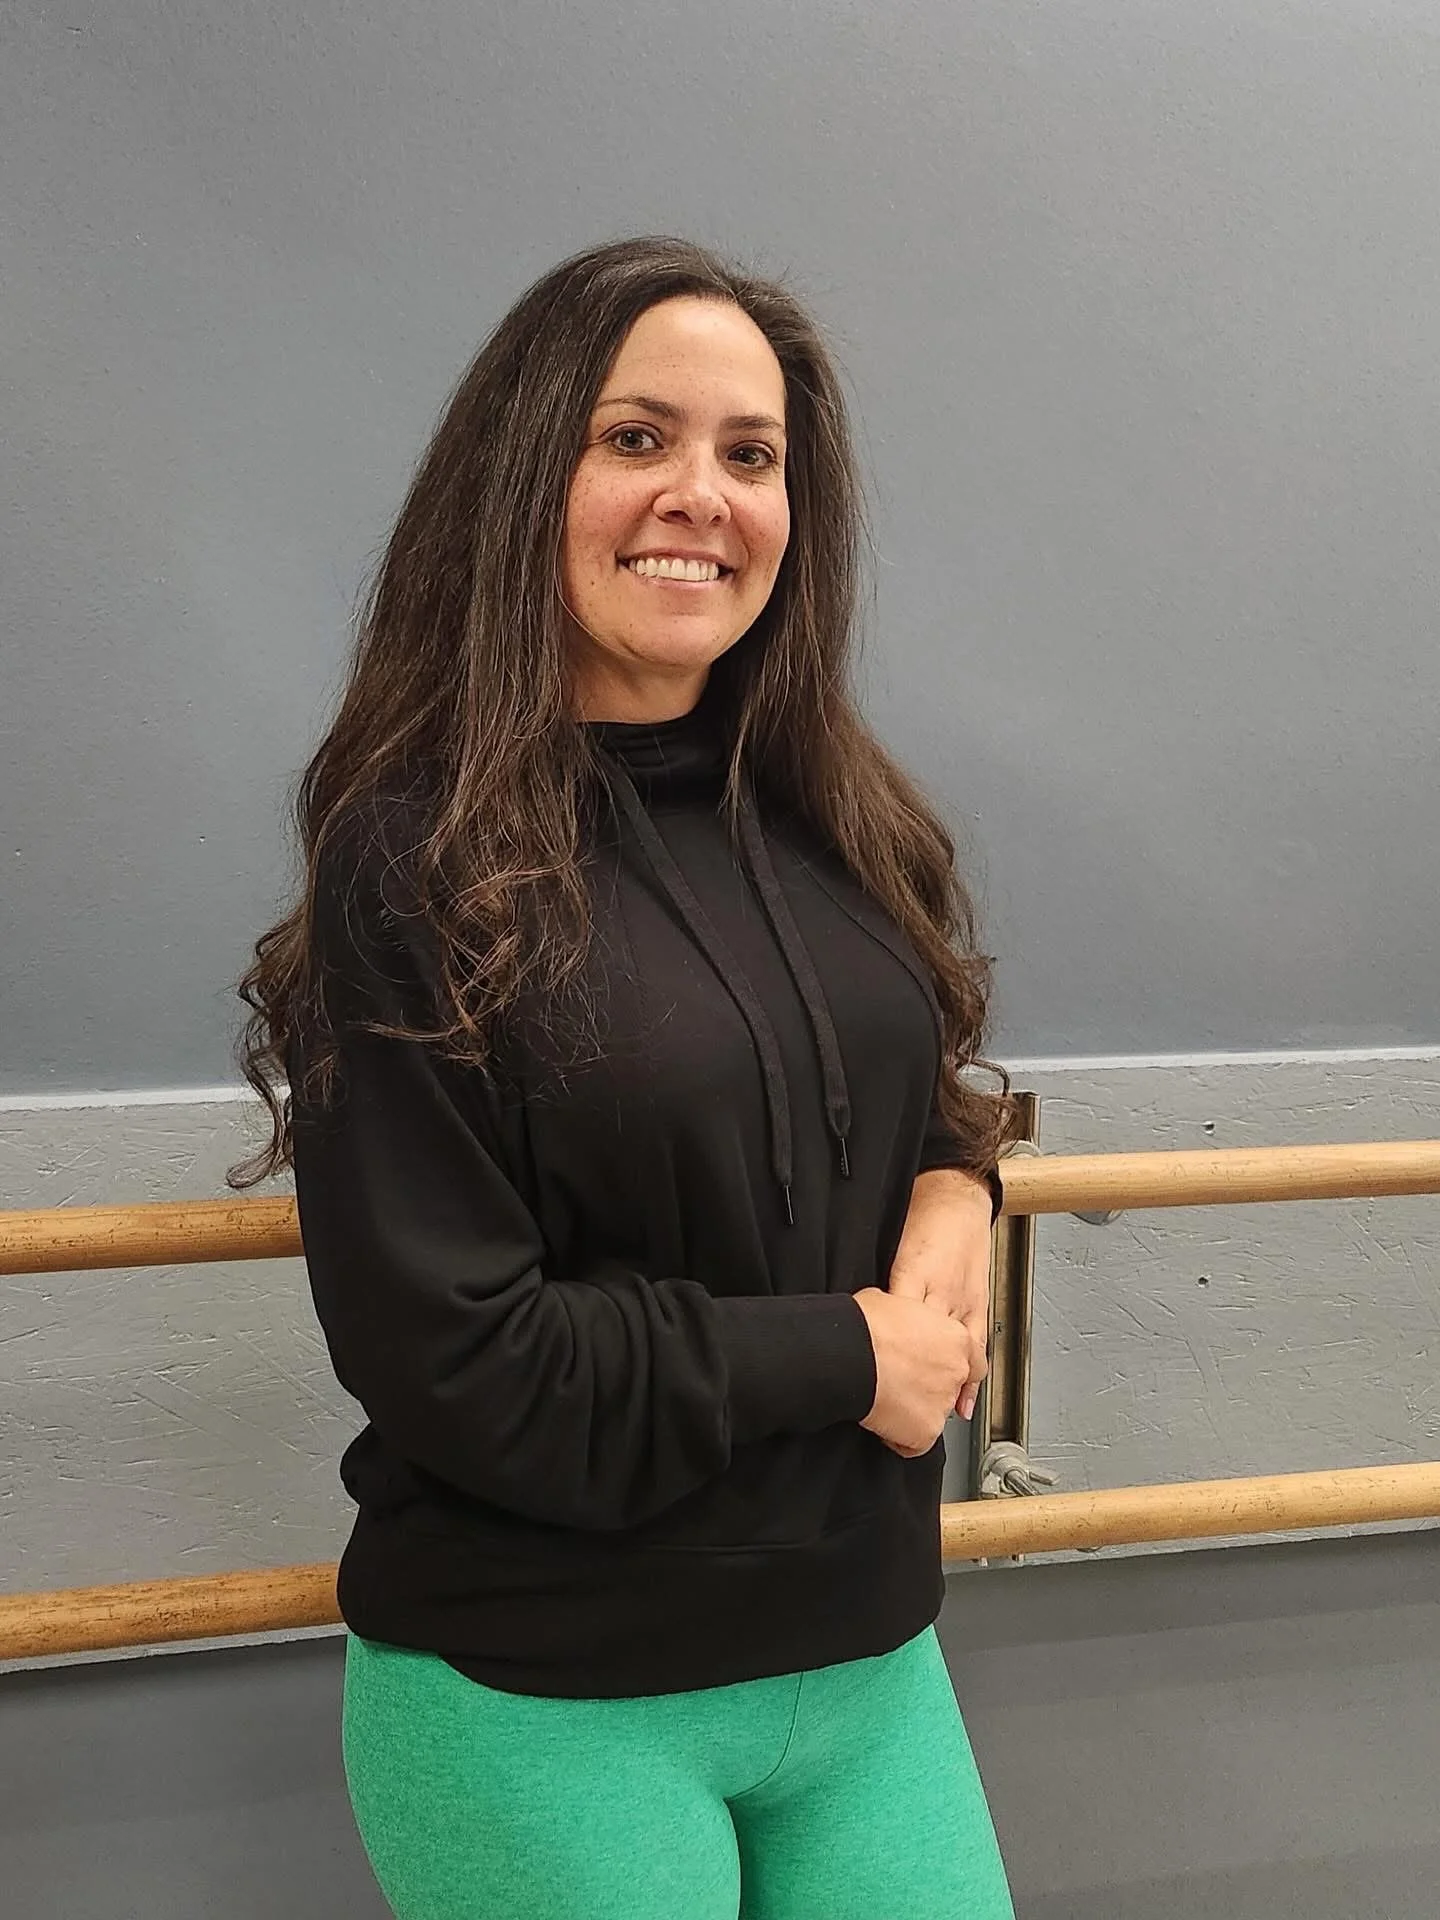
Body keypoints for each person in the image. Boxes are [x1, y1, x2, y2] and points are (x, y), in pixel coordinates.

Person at [231, 235, 1025, 1920]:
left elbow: (901, 1091)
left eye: (752, 455)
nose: (703, 496)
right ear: (529, 476)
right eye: (636, 439)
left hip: (867, 1667)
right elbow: (463, 1358)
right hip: (548, 1701)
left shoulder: (835, 818)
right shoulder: (415, 865)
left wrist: (963, 1179)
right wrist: (846, 1353)